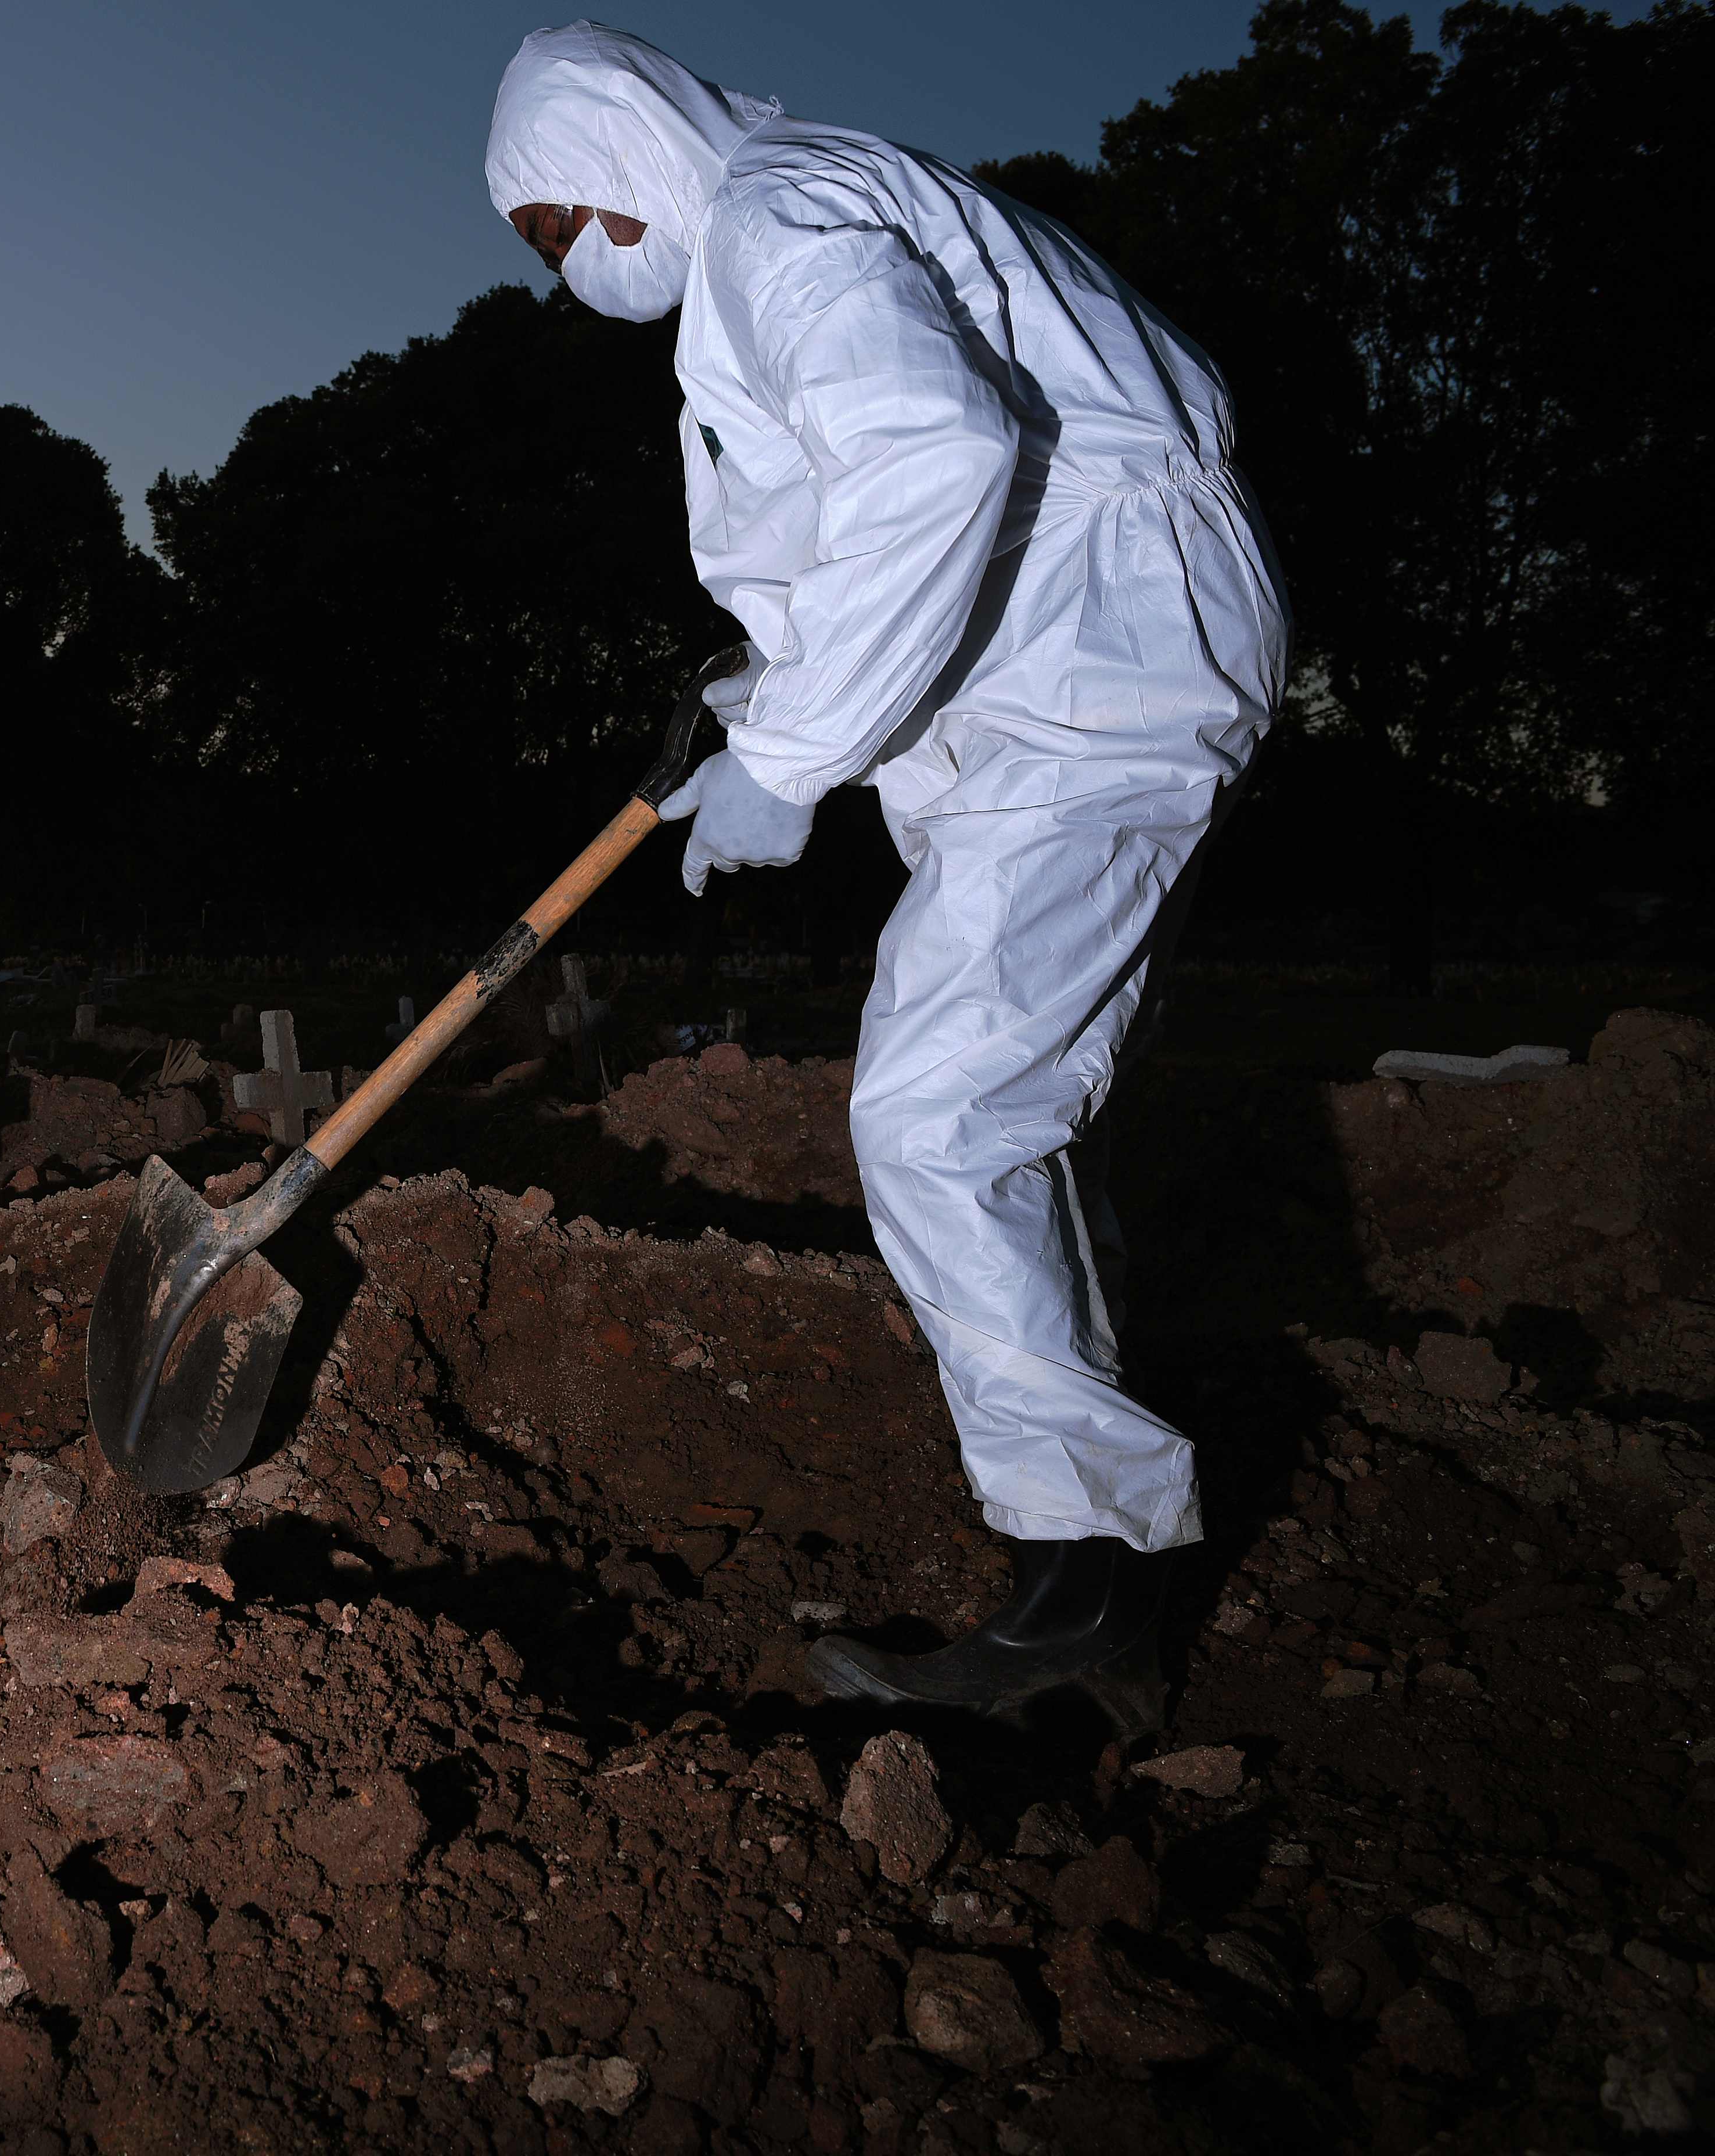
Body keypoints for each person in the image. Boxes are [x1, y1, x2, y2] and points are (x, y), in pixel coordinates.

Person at [487, 24, 1289, 1733]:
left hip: (1100, 657)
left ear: (633, 154)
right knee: (998, 1108)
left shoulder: (778, 223)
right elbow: (867, 514)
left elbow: (936, 459)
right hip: (1052, 663)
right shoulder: (789, 221)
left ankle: (1087, 1587)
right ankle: (1096, 1547)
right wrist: (766, 703)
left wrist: (790, 762)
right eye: (546, 252)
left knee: (936, 1115)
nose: (579, 272)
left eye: (575, 225)